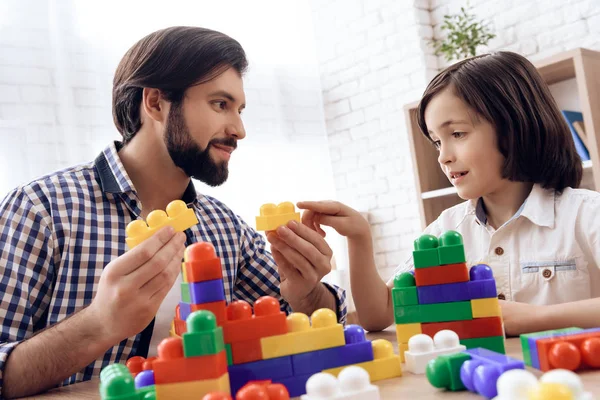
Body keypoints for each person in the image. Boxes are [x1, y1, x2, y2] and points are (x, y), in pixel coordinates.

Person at [0, 26, 346, 399]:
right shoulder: (42, 210)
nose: (239, 129)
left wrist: (306, 291)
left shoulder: (224, 226)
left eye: (240, 109)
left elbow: (314, 322)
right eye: (220, 104)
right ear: (155, 103)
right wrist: (100, 324)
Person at [299, 51, 600, 337]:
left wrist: (532, 318)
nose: (443, 157)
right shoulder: (447, 228)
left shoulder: (586, 214)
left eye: (457, 134)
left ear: (513, 128)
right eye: (437, 142)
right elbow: (379, 314)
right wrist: (359, 238)